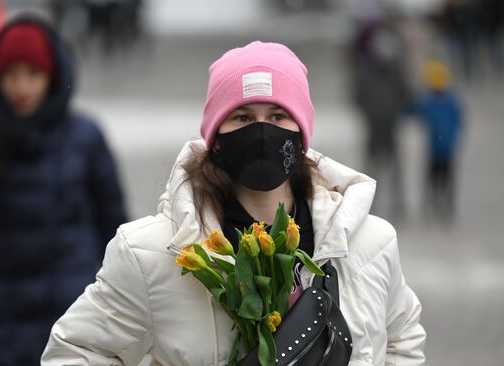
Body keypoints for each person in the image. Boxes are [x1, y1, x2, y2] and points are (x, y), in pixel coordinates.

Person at [42, 41, 426, 365]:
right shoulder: (150, 255)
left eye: (278, 115)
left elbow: (401, 338)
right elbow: (75, 351)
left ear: (301, 134)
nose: (262, 132)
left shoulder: (370, 244)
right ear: (216, 137)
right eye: (242, 117)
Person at [0, 14, 127, 366]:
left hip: (72, 310)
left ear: (51, 77)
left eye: (31, 75)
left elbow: (117, 230)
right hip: (0, 313)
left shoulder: (85, 137)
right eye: (10, 76)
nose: (20, 87)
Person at [350, 19, 411, 220]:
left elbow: (406, 96)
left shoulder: (396, 73)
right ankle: (371, 205)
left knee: (393, 169)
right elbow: (357, 97)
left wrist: (395, 112)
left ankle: (397, 205)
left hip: (390, 128)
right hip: (375, 128)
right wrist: (371, 113)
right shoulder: (368, 73)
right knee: (372, 171)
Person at [417, 60, 463, 223]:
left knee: (438, 178)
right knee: (443, 178)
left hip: (439, 148)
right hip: (443, 147)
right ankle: (442, 207)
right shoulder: (449, 101)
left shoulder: (430, 102)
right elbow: (460, 122)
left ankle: (439, 206)